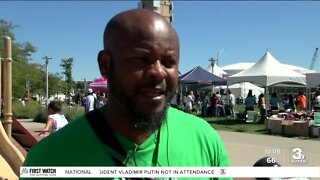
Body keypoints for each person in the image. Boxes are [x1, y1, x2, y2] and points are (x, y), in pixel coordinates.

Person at [23, 9, 229, 173]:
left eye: (168, 62)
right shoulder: (50, 159)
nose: (158, 73)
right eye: (141, 60)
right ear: (105, 64)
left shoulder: (204, 139)